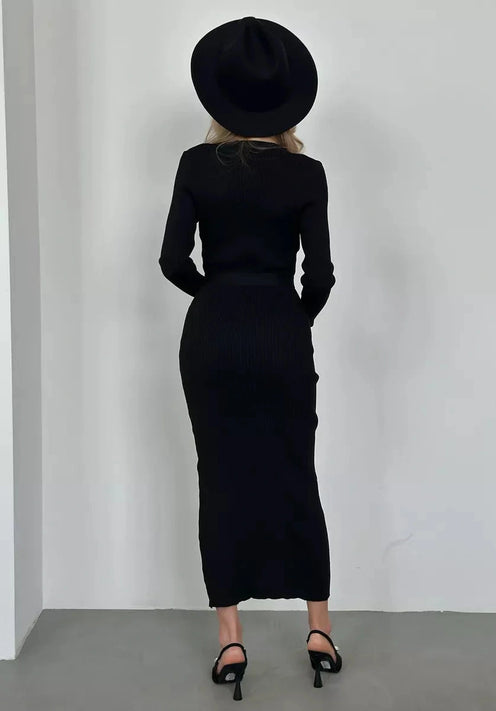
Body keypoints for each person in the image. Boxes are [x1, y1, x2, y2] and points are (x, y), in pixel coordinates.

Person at [158, 16, 342, 700]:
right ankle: (319, 632)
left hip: (211, 332)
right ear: (287, 101)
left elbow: (173, 260)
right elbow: (319, 276)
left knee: (221, 477)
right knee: (296, 471)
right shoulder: (306, 173)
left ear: (221, 97)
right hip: (281, 331)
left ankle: (231, 643)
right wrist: (289, 315)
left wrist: (218, 297)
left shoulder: (194, 164)